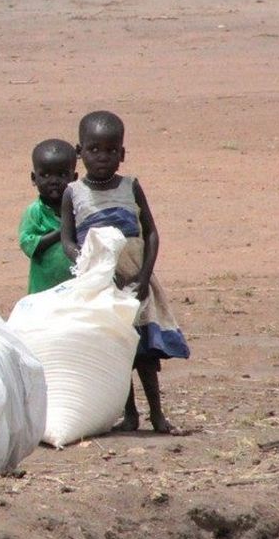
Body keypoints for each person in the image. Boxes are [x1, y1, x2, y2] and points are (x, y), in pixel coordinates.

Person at [60, 110, 189, 435]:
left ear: (122, 153)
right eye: (94, 149)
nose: (102, 157)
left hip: (136, 282)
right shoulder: (73, 193)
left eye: (110, 150)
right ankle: (129, 414)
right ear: (80, 152)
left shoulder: (131, 187)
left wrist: (145, 276)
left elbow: (152, 233)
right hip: (101, 286)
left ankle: (158, 416)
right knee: (117, 351)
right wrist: (92, 266)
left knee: (144, 353)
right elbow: (68, 240)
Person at [19, 138, 77, 294]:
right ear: (33, 178)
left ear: (75, 177)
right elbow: (28, 245)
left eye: (62, 174)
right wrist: (62, 232)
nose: (53, 181)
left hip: (76, 290)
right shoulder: (35, 212)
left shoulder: (80, 209)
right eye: (45, 175)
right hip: (43, 290)